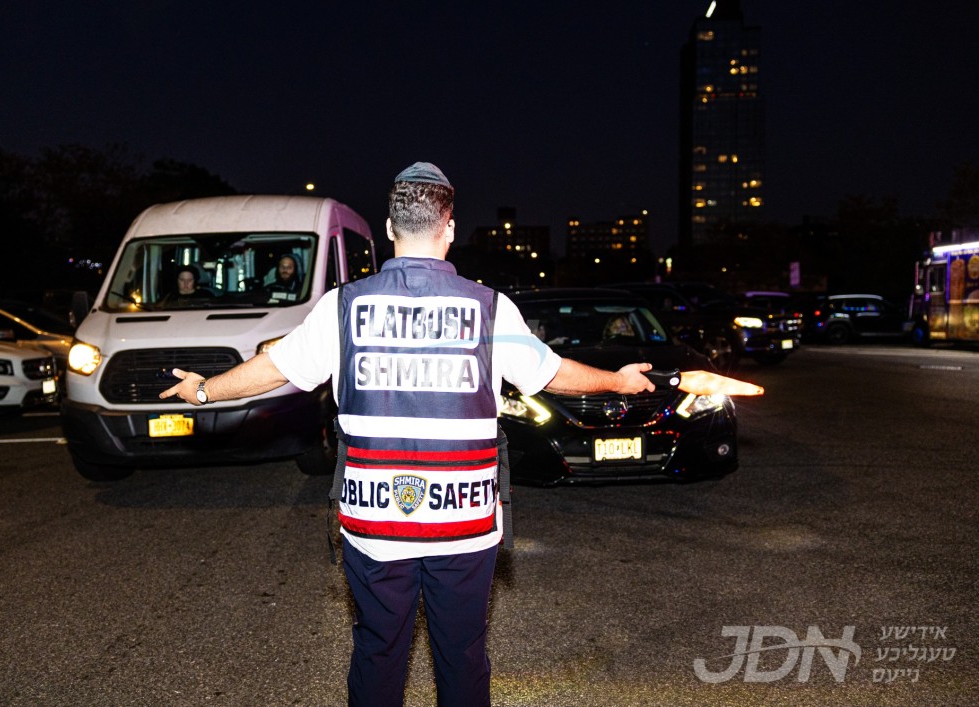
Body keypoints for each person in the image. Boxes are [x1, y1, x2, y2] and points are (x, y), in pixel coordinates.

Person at [159, 162, 654, 706]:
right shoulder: (489, 308)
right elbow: (552, 374)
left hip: (375, 521)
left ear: (391, 228)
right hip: (463, 523)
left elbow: (275, 369)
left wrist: (204, 391)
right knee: (462, 655)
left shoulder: (343, 307)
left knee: (378, 651)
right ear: (449, 228)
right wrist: (618, 381)